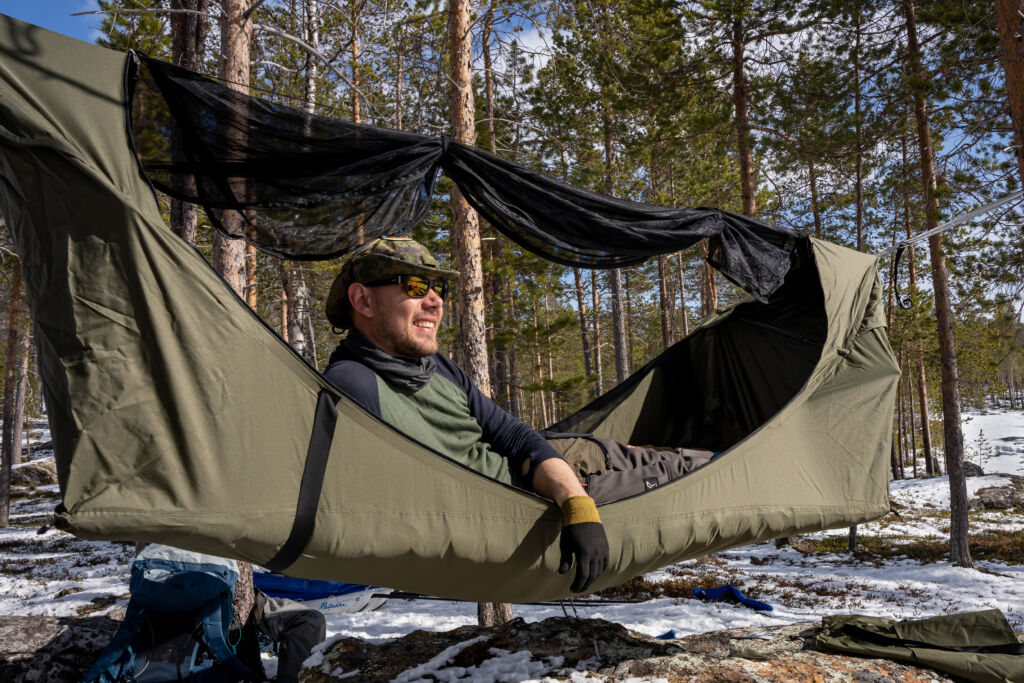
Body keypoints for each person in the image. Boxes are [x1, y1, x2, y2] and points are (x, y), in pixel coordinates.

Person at [322, 236, 609, 593]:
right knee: (678, 471)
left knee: (660, 459)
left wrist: (576, 502)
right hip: (532, 506)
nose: (436, 300)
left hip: (559, 475)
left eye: (438, 287)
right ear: (362, 300)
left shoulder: (436, 366)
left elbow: (514, 436)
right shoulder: (351, 386)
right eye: (415, 285)